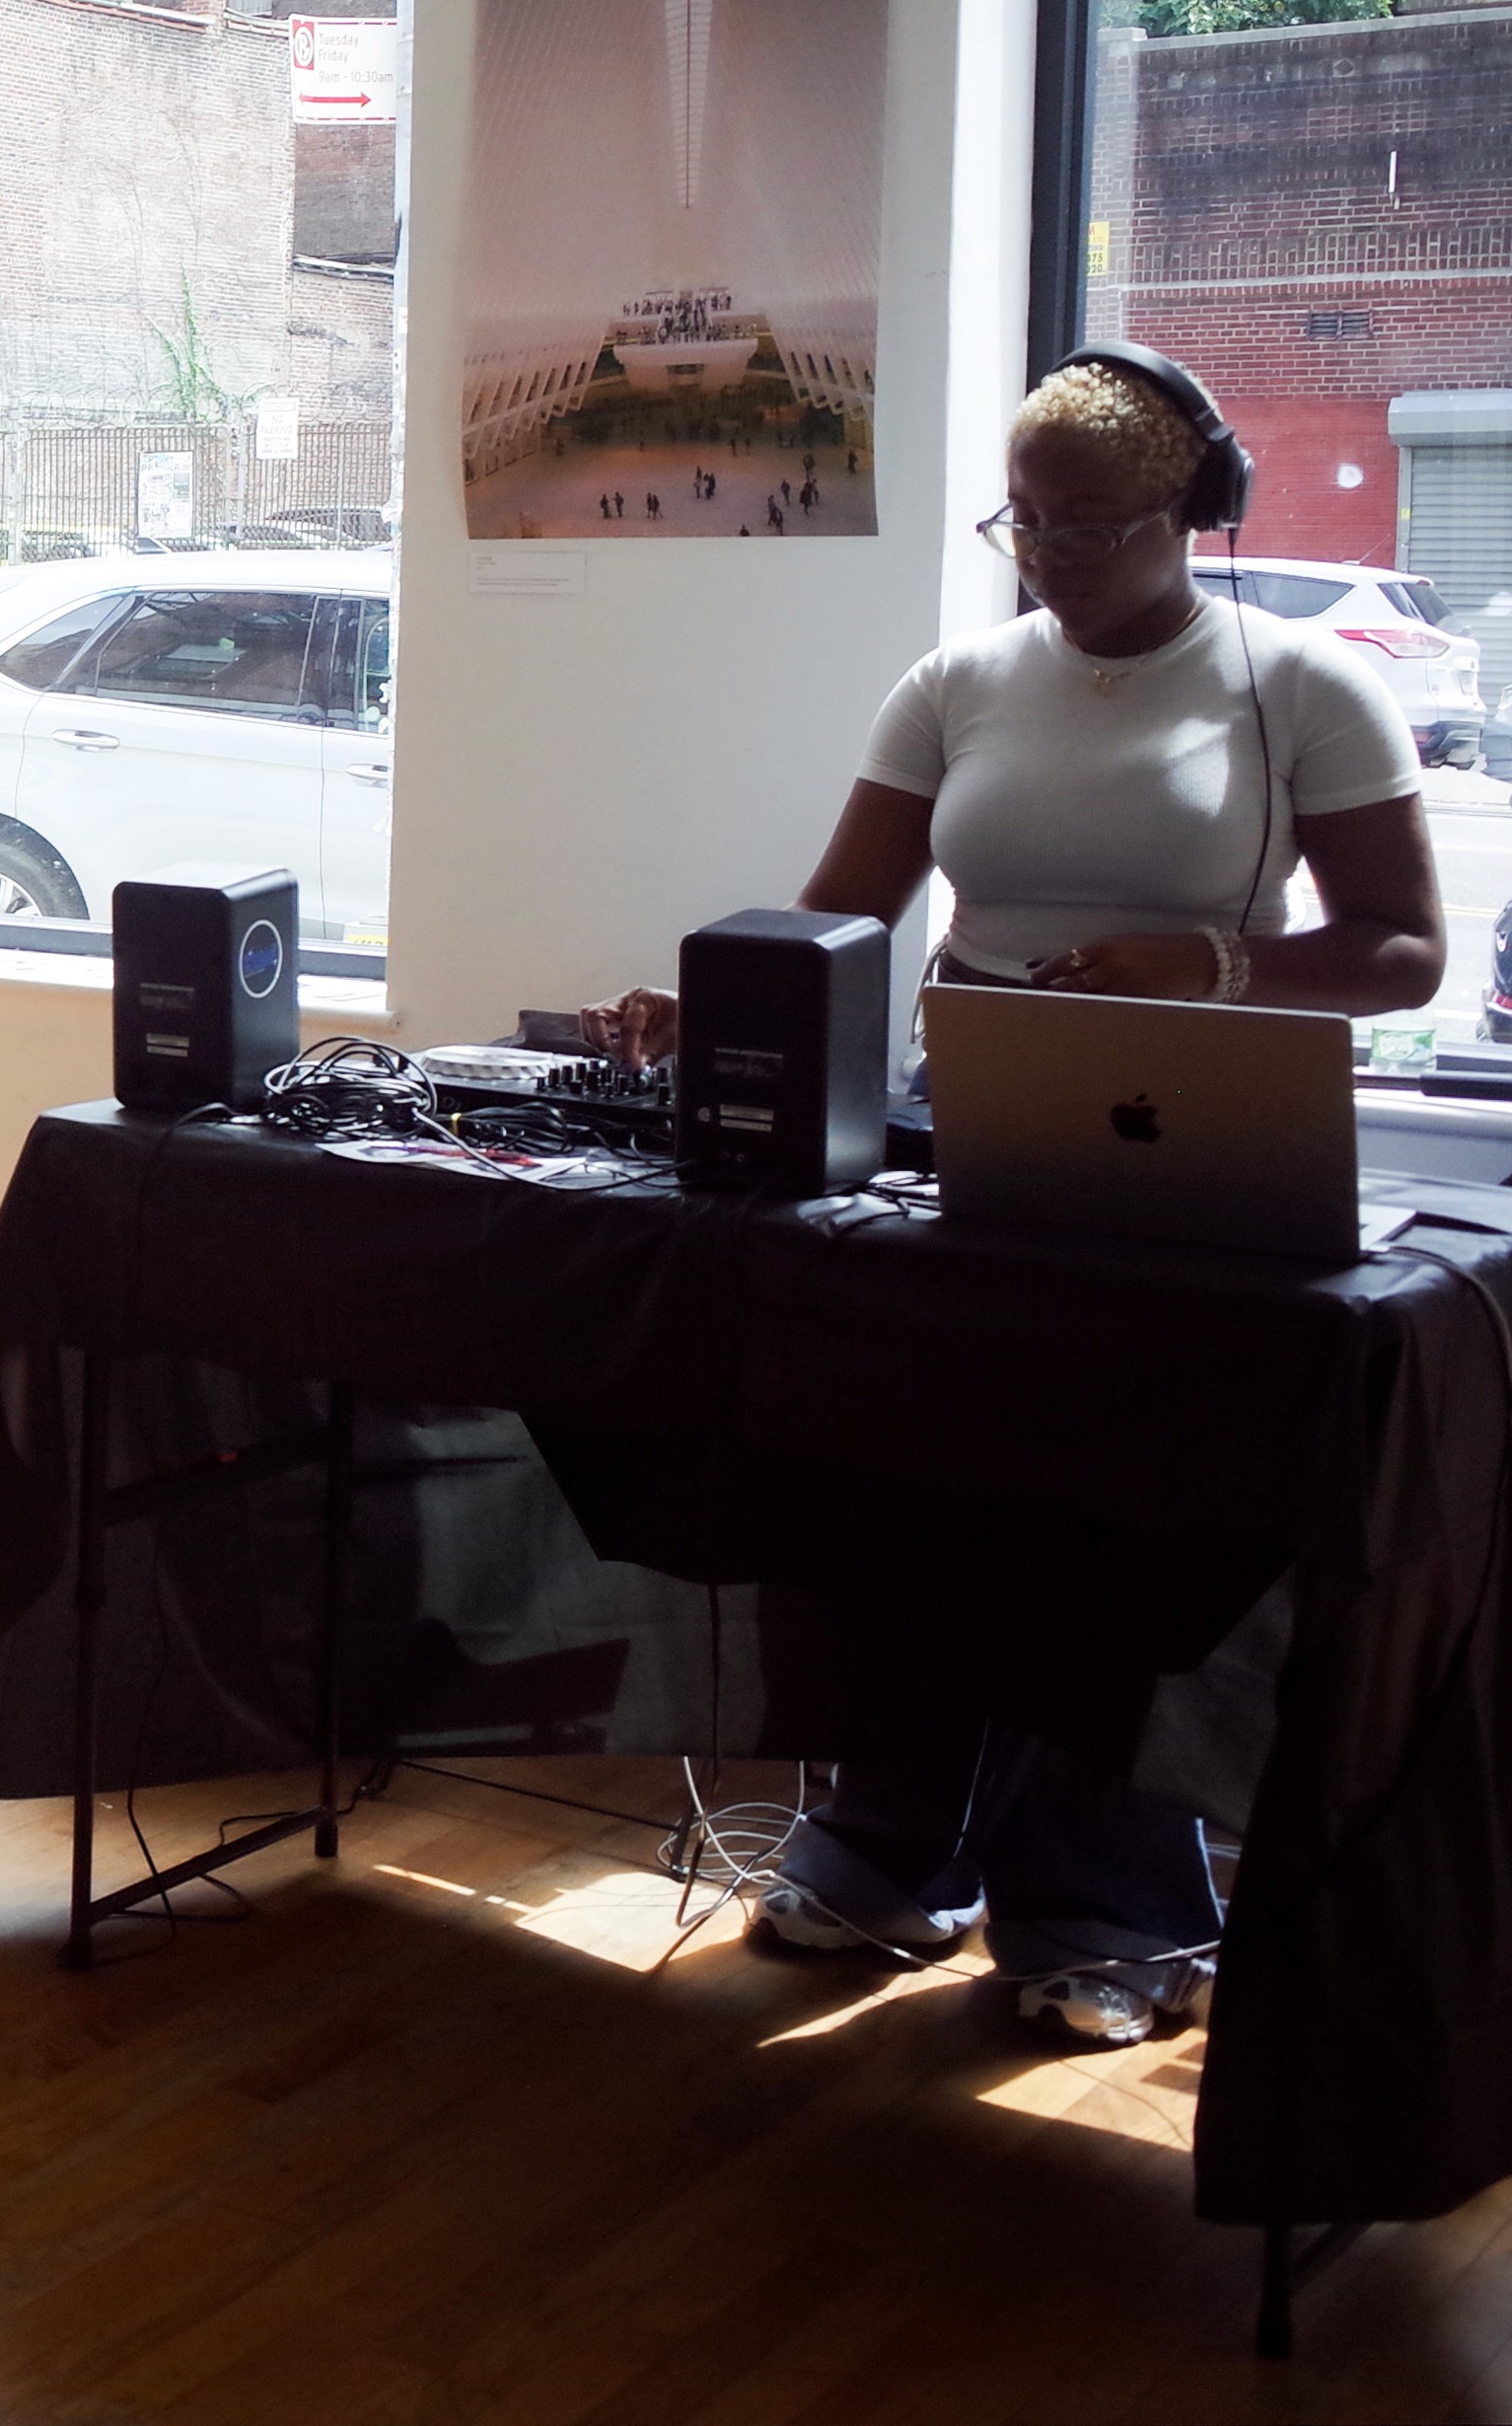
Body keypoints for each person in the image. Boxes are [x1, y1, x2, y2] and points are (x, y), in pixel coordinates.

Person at [593, 350, 1444, 2049]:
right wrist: (720, 1001)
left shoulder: (1301, 691)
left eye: (1089, 526)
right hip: (971, 1128)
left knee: (1126, 1521)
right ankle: (898, 1845)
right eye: (1025, 524)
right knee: (919, 1481)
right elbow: (841, 916)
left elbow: (1404, 953)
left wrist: (1203, 963)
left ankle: (1112, 1899)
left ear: (1193, 511)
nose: (1047, 558)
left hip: (1193, 1146)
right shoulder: (960, 682)